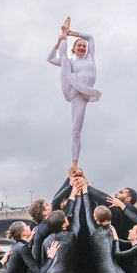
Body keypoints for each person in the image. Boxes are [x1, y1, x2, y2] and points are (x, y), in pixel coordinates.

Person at [47, 16, 101, 167]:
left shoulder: (90, 57)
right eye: (79, 46)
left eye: (84, 46)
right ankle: (62, 33)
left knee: (77, 129)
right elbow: (50, 58)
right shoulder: (70, 62)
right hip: (74, 89)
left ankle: (75, 164)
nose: (83, 47)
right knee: (64, 60)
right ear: (74, 48)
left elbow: (90, 37)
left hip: (85, 93)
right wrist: (59, 42)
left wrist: (71, 33)